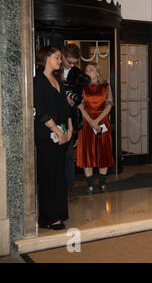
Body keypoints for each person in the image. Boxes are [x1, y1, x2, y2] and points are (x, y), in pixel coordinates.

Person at [34, 46, 72, 230]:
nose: (60, 60)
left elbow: (65, 108)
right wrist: (58, 132)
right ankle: (48, 219)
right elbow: (41, 111)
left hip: (62, 134)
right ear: (46, 58)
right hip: (46, 136)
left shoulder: (58, 80)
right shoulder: (38, 81)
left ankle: (59, 213)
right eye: (57, 57)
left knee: (59, 176)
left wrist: (70, 128)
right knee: (48, 177)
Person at [76, 62, 113, 195]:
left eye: (91, 70)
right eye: (86, 70)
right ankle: (90, 185)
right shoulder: (82, 88)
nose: (88, 72)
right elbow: (80, 107)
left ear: (98, 73)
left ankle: (102, 184)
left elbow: (109, 106)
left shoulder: (106, 87)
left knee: (103, 152)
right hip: (87, 123)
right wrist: (91, 121)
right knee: (88, 153)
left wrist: (96, 121)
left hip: (102, 122)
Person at [60, 43, 90, 202]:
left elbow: (80, 96)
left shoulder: (77, 73)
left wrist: (72, 99)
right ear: (62, 55)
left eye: (73, 63)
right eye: (69, 62)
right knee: (55, 157)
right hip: (53, 116)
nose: (71, 65)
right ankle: (56, 189)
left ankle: (70, 190)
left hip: (69, 118)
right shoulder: (53, 69)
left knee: (67, 157)